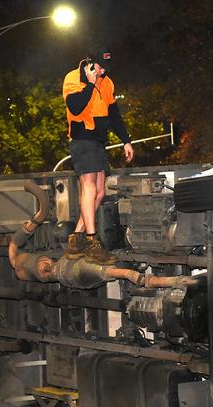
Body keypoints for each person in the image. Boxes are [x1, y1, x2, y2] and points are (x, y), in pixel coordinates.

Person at [62, 47, 134, 264]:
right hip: (82, 139)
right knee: (90, 187)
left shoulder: (107, 82)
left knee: (101, 192)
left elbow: (114, 115)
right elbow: (75, 108)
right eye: (99, 67)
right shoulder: (73, 78)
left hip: (98, 142)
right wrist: (91, 84)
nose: (102, 72)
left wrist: (126, 140)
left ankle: (76, 239)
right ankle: (92, 241)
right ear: (89, 63)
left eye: (105, 69)